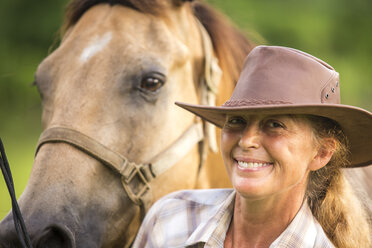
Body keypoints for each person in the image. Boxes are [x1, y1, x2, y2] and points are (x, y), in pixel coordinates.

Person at [132, 46, 372, 247]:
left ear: (321, 153)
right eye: (236, 121)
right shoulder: (170, 220)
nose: (246, 141)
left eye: (275, 125)